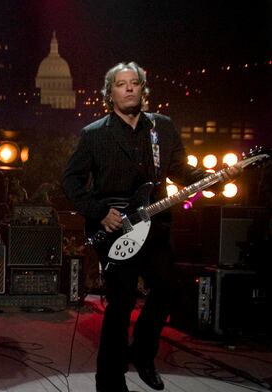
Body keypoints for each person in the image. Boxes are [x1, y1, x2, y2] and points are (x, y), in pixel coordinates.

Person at [62, 62, 214, 392]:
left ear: (144, 90)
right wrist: (100, 211)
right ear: (110, 94)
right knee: (121, 302)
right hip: (114, 227)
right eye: (121, 84)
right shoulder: (94, 134)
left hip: (155, 224)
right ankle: (110, 383)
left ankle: (142, 354)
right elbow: (71, 182)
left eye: (135, 83)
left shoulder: (163, 128)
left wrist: (213, 180)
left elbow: (181, 172)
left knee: (169, 289)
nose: (129, 88)